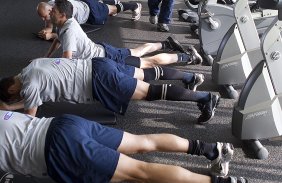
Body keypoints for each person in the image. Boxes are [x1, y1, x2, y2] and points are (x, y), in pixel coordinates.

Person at [0, 110, 248, 183]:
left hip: (60, 147)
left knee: (141, 173)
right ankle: (213, 149)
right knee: (143, 143)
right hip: (62, 124)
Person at [0, 57, 218, 123]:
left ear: (12, 89)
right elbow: (32, 101)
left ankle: (204, 97)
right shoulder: (30, 67)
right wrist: (10, 104)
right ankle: (190, 77)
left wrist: (6, 112)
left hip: (99, 80)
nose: (20, 96)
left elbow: (29, 120)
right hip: (99, 65)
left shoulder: (29, 88)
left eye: (15, 96)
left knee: (149, 92)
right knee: (147, 74)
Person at [45, 0, 203, 68]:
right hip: (103, 53)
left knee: (146, 62)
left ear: (63, 15)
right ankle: (166, 44)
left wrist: (48, 65)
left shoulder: (69, 29)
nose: (49, 12)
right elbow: (58, 40)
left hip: (107, 57)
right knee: (138, 54)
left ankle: (187, 56)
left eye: (53, 11)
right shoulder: (63, 24)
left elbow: (66, 62)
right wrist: (47, 57)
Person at [37, 0, 142, 40]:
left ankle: (135, 5)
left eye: (44, 16)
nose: (43, 19)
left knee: (112, 10)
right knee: (104, 6)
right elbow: (49, 23)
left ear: (51, 10)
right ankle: (108, 3)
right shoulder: (51, 6)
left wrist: (51, 36)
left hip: (91, 12)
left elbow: (68, 34)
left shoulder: (66, 14)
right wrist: (47, 29)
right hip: (83, 4)